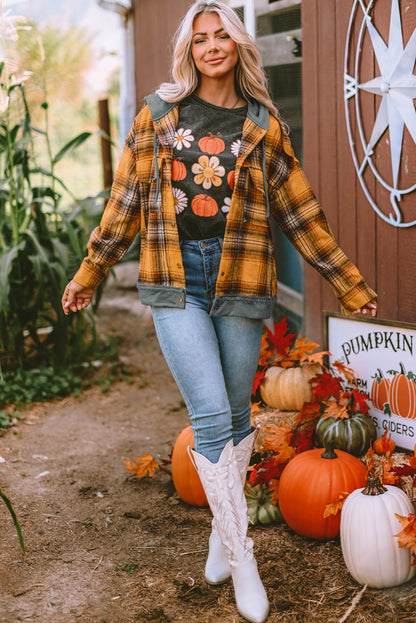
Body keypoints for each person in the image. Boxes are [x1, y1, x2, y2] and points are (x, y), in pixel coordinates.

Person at [61, 2, 377, 621]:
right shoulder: (157, 115)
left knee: (237, 419)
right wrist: (90, 270)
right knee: (209, 419)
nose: (211, 47)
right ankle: (244, 562)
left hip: (242, 278)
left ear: (237, 45)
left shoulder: (263, 125)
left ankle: (218, 541)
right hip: (175, 279)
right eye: (200, 39)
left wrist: (348, 283)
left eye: (221, 37)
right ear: (189, 50)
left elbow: (301, 213)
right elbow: (125, 200)